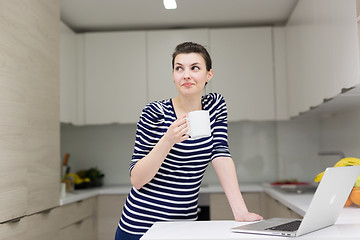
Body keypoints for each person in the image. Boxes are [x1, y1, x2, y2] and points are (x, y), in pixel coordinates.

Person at [115, 42, 263, 240]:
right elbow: (137, 179)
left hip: (184, 226)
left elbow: (220, 154)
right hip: (141, 228)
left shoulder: (215, 105)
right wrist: (167, 141)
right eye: (179, 68)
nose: (186, 75)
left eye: (195, 68)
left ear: (208, 75)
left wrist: (241, 212)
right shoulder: (154, 112)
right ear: (173, 75)